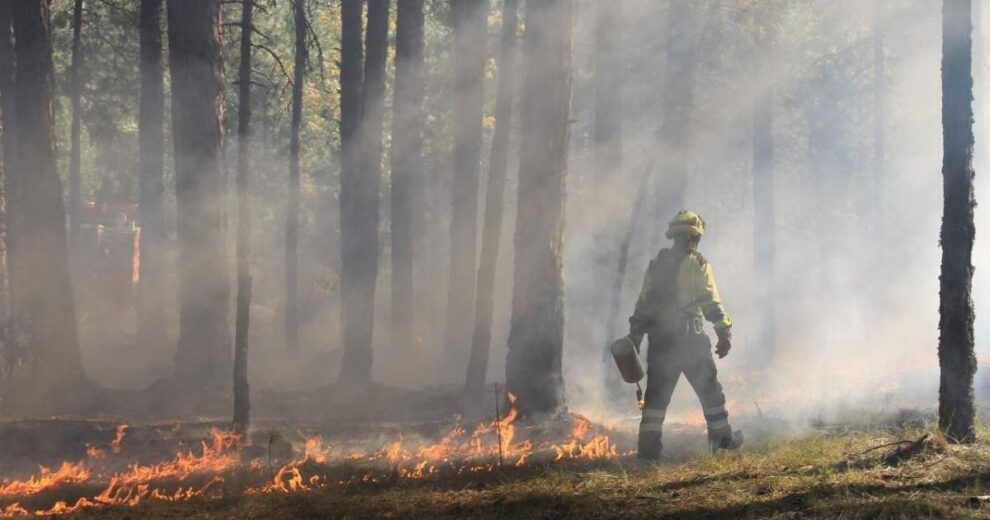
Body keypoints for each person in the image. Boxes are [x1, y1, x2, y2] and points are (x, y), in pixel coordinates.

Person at [628, 210, 742, 460]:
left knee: (655, 401)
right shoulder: (697, 263)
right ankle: (722, 443)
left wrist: (635, 335)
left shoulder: (655, 265)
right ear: (694, 236)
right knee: (710, 394)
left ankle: (648, 455)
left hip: (659, 342)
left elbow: (643, 304)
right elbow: (710, 302)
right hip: (689, 341)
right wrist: (724, 331)